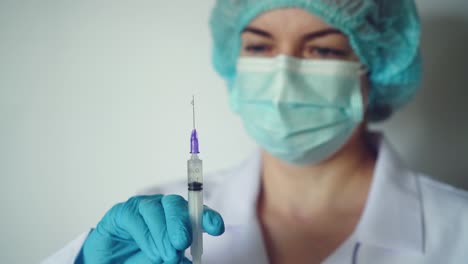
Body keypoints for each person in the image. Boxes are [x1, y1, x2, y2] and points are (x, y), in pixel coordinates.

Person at [43, 1, 468, 263]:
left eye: (322, 48)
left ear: (376, 67)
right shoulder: (158, 221)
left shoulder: (457, 231)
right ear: (235, 59)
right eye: (260, 46)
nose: (282, 76)